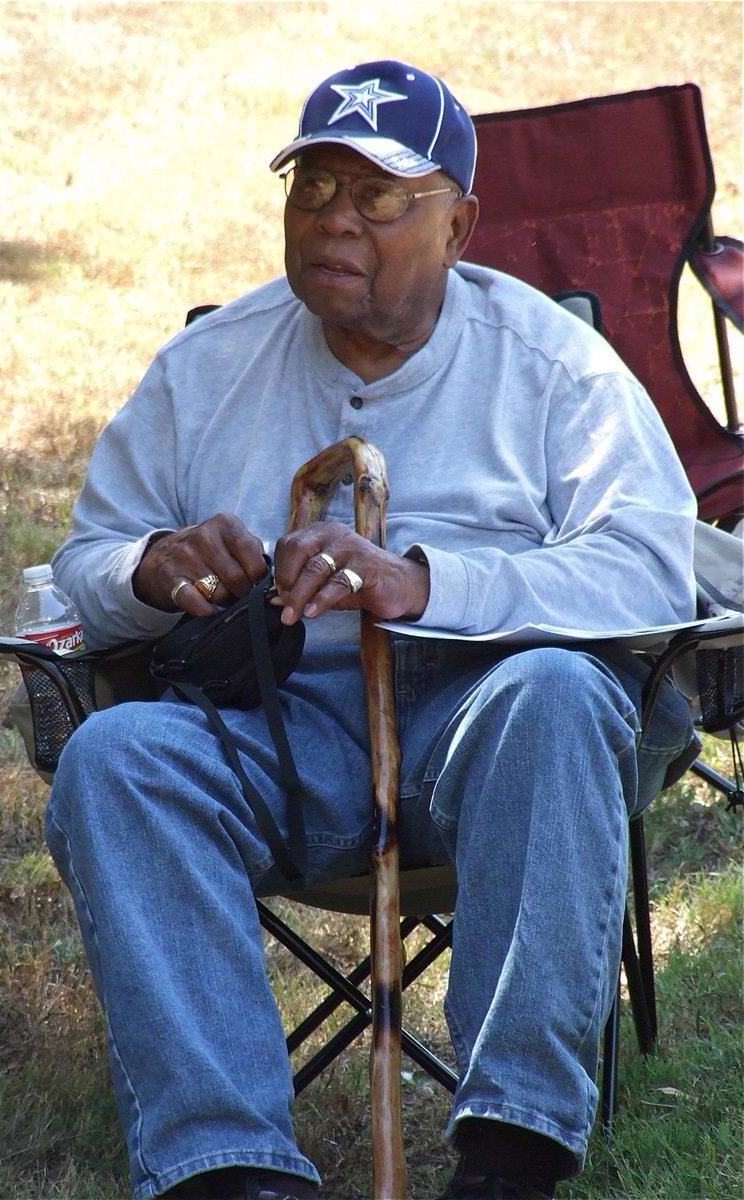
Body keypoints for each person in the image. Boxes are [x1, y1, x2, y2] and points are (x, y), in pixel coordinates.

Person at [46, 60, 699, 1200]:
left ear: (461, 225)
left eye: (381, 195)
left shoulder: (552, 367)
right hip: (274, 730)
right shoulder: (206, 369)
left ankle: (508, 1154)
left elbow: (651, 567)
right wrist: (152, 571)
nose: (333, 218)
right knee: (115, 759)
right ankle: (227, 1168)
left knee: (553, 694)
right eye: (312, 187)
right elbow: (82, 564)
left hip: (482, 726)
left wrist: (426, 583)